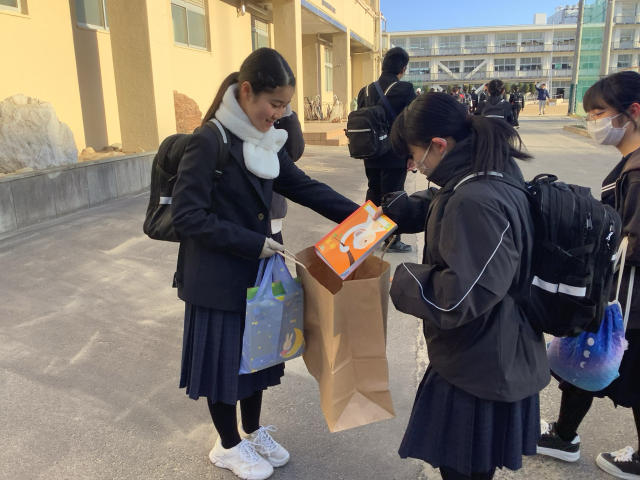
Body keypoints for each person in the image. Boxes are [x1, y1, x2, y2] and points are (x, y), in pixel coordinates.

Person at [171, 48, 359, 480]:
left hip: (258, 272)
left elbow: (305, 187)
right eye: (274, 104)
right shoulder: (209, 140)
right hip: (218, 276)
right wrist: (252, 242)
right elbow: (187, 216)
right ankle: (227, 445)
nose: (279, 115)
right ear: (247, 91)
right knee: (225, 365)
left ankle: (252, 432)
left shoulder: (266, 142)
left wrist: (364, 219)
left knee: (255, 358)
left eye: (285, 106)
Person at [375, 92, 548, 480]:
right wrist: (401, 211)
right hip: (489, 349)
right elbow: (449, 199)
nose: (413, 165)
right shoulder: (488, 167)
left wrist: (400, 280)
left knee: (464, 471)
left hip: (481, 365)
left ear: (438, 144)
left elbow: (460, 297)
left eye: (413, 155)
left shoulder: (476, 199)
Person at [537, 71, 640, 480]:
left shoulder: (637, 171)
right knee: (594, 355)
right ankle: (563, 436)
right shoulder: (630, 163)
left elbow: (632, 243)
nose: (593, 121)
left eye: (599, 112)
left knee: (606, 358)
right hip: (623, 292)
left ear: (633, 112)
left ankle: (565, 437)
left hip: (628, 294)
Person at [356, 46, 416, 253]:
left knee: (373, 192)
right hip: (394, 154)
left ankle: (366, 235)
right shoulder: (405, 89)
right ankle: (392, 241)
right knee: (394, 196)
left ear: (383, 66)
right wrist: (411, 154)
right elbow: (411, 124)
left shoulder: (364, 91)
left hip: (370, 151)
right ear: (403, 68)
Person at [270, 105, 305, 244]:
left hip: (273, 223)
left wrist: (360, 216)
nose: (277, 114)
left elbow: (305, 187)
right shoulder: (217, 140)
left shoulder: (275, 146)